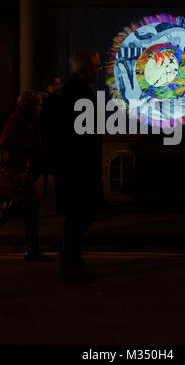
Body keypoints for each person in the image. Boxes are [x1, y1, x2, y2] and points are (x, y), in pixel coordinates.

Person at [0, 91, 50, 262]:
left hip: (25, 175)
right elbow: (4, 144)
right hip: (19, 176)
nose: (40, 108)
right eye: (37, 104)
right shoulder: (16, 122)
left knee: (22, 211)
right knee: (17, 211)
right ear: (28, 106)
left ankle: (31, 249)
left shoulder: (29, 121)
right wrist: (25, 153)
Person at [57, 49, 105, 281]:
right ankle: (70, 266)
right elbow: (80, 136)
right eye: (97, 66)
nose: (99, 70)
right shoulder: (78, 94)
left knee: (80, 215)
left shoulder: (76, 90)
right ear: (87, 69)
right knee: (78, 217)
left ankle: (72, 261)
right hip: (79, 169)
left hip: (77, 167)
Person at [40, 73, 62, 207]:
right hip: (53, 142)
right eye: (56, 84)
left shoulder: (49, 100)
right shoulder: (50, 102)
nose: (59, 86)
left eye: (60, 84)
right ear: (48, 86)